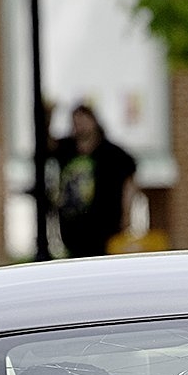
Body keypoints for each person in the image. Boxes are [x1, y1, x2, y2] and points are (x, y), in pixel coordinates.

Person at [51, 102, 138, 258]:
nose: (80, 126)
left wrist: (127, 214)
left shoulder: (111, 154)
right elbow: (46, 146)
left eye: (84, 120)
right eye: (76, 122)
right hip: (72, 229)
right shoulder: (66, 149)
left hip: (104, 226)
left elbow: (129, 181)